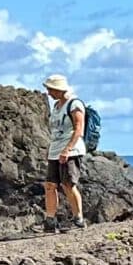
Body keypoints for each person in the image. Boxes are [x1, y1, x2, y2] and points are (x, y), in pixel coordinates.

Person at [41, 74, 88, 231]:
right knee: (50, 185)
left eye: (51, 89)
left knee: (68, 184)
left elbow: (79, 128)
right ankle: (50, 220)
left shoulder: (74, 104)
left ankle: (78, 219)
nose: (48, 93)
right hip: (55, 150)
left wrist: (67, 149)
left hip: (71, 151)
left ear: (59, 89)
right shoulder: (56, 106)